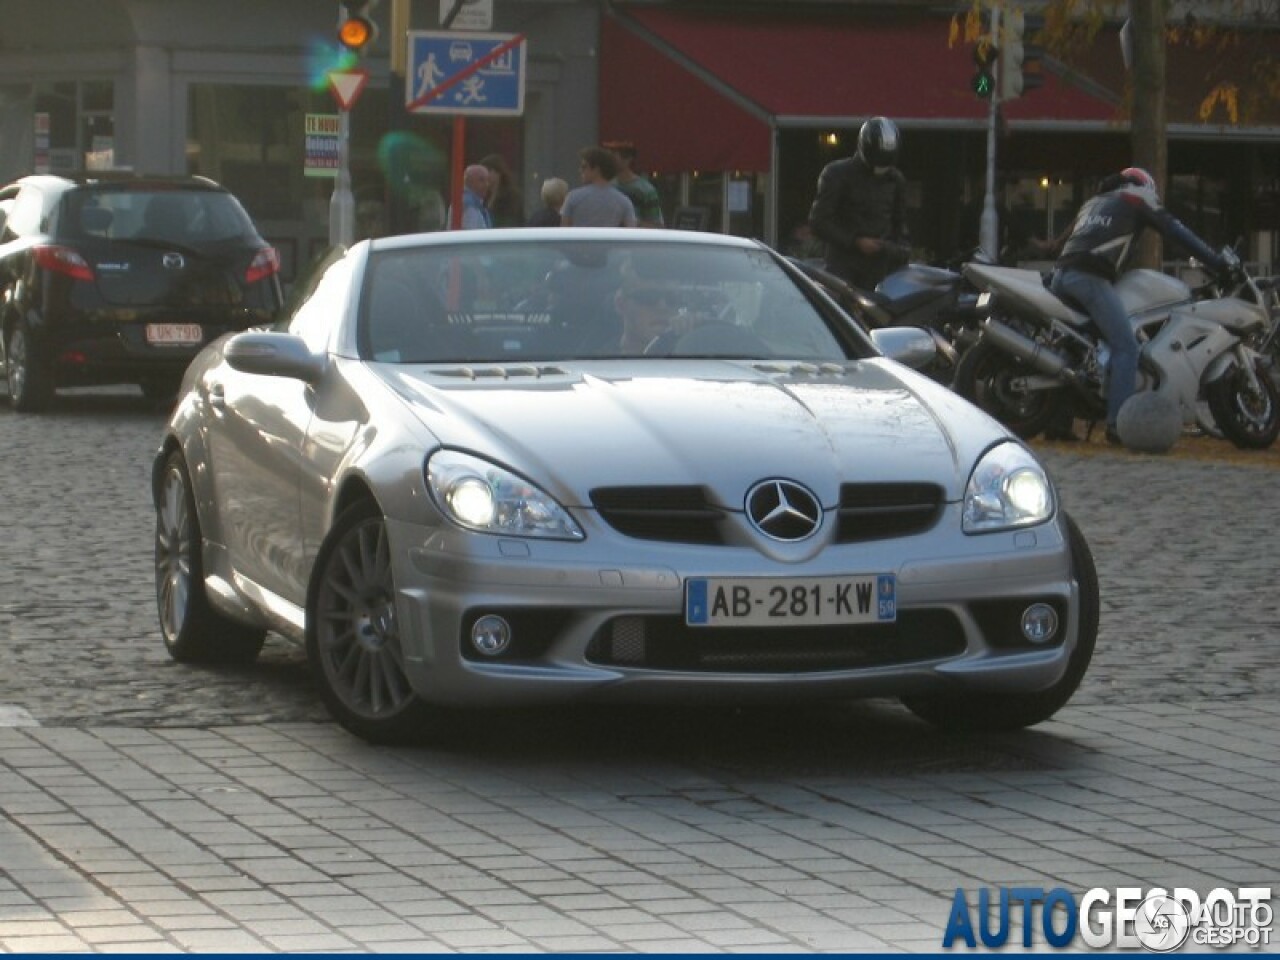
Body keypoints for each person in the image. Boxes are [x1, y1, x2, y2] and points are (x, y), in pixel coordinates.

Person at [1049, 166, 1236, 445]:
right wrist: (1216, 262)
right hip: (1089, 277)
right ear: (1145, 184)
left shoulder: (1094, 202)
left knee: (1074, 350)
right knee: (1126, 347)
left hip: (1060, 276)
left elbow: (1061, 243)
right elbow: (1176, 231)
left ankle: (1057, 422)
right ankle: (1117, 424)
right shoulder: (1138, 197)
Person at [808, 116, 909, 291]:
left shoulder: (895, 180)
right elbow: (818, 221)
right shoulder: (837, 174)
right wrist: (855, 241)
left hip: (880, 269)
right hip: (842, 267)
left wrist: (895, 249)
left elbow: (900, 224)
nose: (881, 169)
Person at [561, 146, 637, 228]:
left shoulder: (573, 197)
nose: (580, 170)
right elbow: (631, 230)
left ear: (596, 169)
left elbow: (564, 230)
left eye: (584, 167)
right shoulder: (623, 201)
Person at [602, 140, 664, 227]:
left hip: (635, 239)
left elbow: (657, 226)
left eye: (613, 155)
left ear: (628, 159)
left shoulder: (646, 190)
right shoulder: (607, 187)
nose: (608, 160)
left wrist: (633, 222)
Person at [479, 153, 524, 228]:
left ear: (498, 173)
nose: (485, 176)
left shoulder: (511, 196)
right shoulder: (484, 196)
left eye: (488, 171)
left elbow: (511, 221)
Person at [449, 164, 492, 230]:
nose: (486, 185)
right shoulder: (469, 205)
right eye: (481, 180)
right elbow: (471, 235)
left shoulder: (474, 203)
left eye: (487, 180)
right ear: (469, 181)